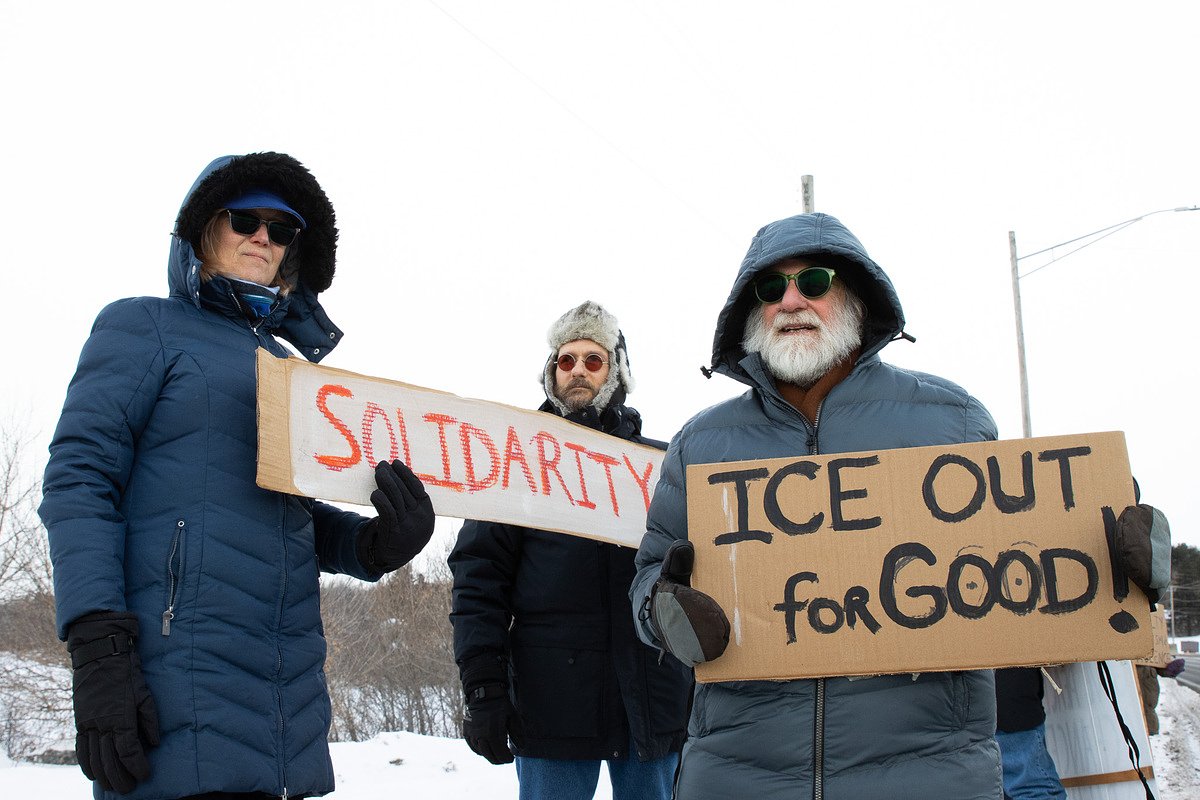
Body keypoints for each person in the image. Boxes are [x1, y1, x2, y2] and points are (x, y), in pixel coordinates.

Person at [628, 212, 1167, 800]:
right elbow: (650, 576)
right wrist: (665, 611)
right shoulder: (700, 445)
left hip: (931, 774)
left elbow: (1025, 557)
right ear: (749, 311)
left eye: (813, 282)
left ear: (855, 296)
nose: (790, 301)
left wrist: (1118, 555)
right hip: (738, 775)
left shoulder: (951, 420)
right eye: (769, 288)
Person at [39, 152, 436, 799]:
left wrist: (372, 546)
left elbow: (291, 515)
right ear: (203, 230)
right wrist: (98, 645)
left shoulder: (289, 371)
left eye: (281, 231)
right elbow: (79, 482)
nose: (263, 237)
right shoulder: (144, 329)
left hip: (288, 714)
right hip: (174, 686)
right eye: (244, 219)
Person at [448, 301, 691, 800]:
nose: (577, 370)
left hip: (653, 696)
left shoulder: (660, 467)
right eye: (566, 360)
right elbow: (478, 578)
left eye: (593, 360)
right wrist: (483, 685)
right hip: (551, 700)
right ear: (550, 373)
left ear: (616, 372)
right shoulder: (517, 462)